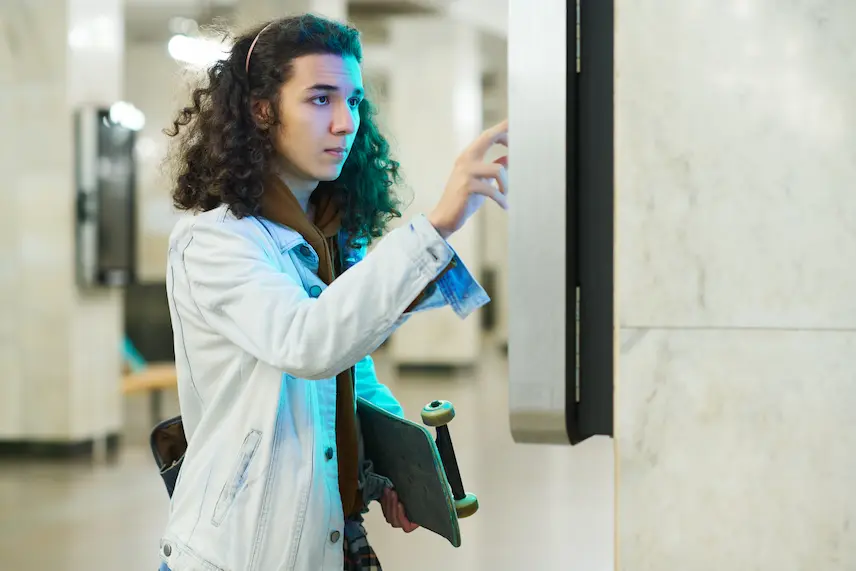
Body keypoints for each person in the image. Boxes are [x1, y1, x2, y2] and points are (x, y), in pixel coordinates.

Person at [158, 12, 508, 571]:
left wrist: (396, 460)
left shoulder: (329, 232)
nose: (346, 122)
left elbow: (351, 365)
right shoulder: (212, 242)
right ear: (261, 110)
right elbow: (310, 342)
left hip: (333, 538)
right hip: (241, 555)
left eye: (354, 101)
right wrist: (436, 225)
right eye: (321, 99)